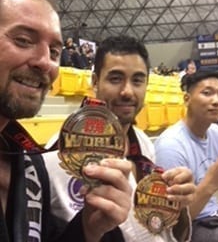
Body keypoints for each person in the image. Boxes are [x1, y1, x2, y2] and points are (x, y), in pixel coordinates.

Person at [0, 0, 132, 242]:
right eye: (23, 40)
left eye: (55, 51)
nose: (45, 62)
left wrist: (89, 229)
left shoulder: (29, 165)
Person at [44, 35, 196, 242]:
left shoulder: (143, 145)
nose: (127, 92)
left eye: (137, 80)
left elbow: (157, 228)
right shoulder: (55, 157)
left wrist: (178, 209)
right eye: (115, 79)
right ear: (95, 82)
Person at [154, 70, 218, 242]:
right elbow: (172, 224)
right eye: (207, 93)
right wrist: (210, 184)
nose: (216, 101)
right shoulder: (170, 146)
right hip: (191, 225)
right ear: (187, 99)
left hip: (215, 212)